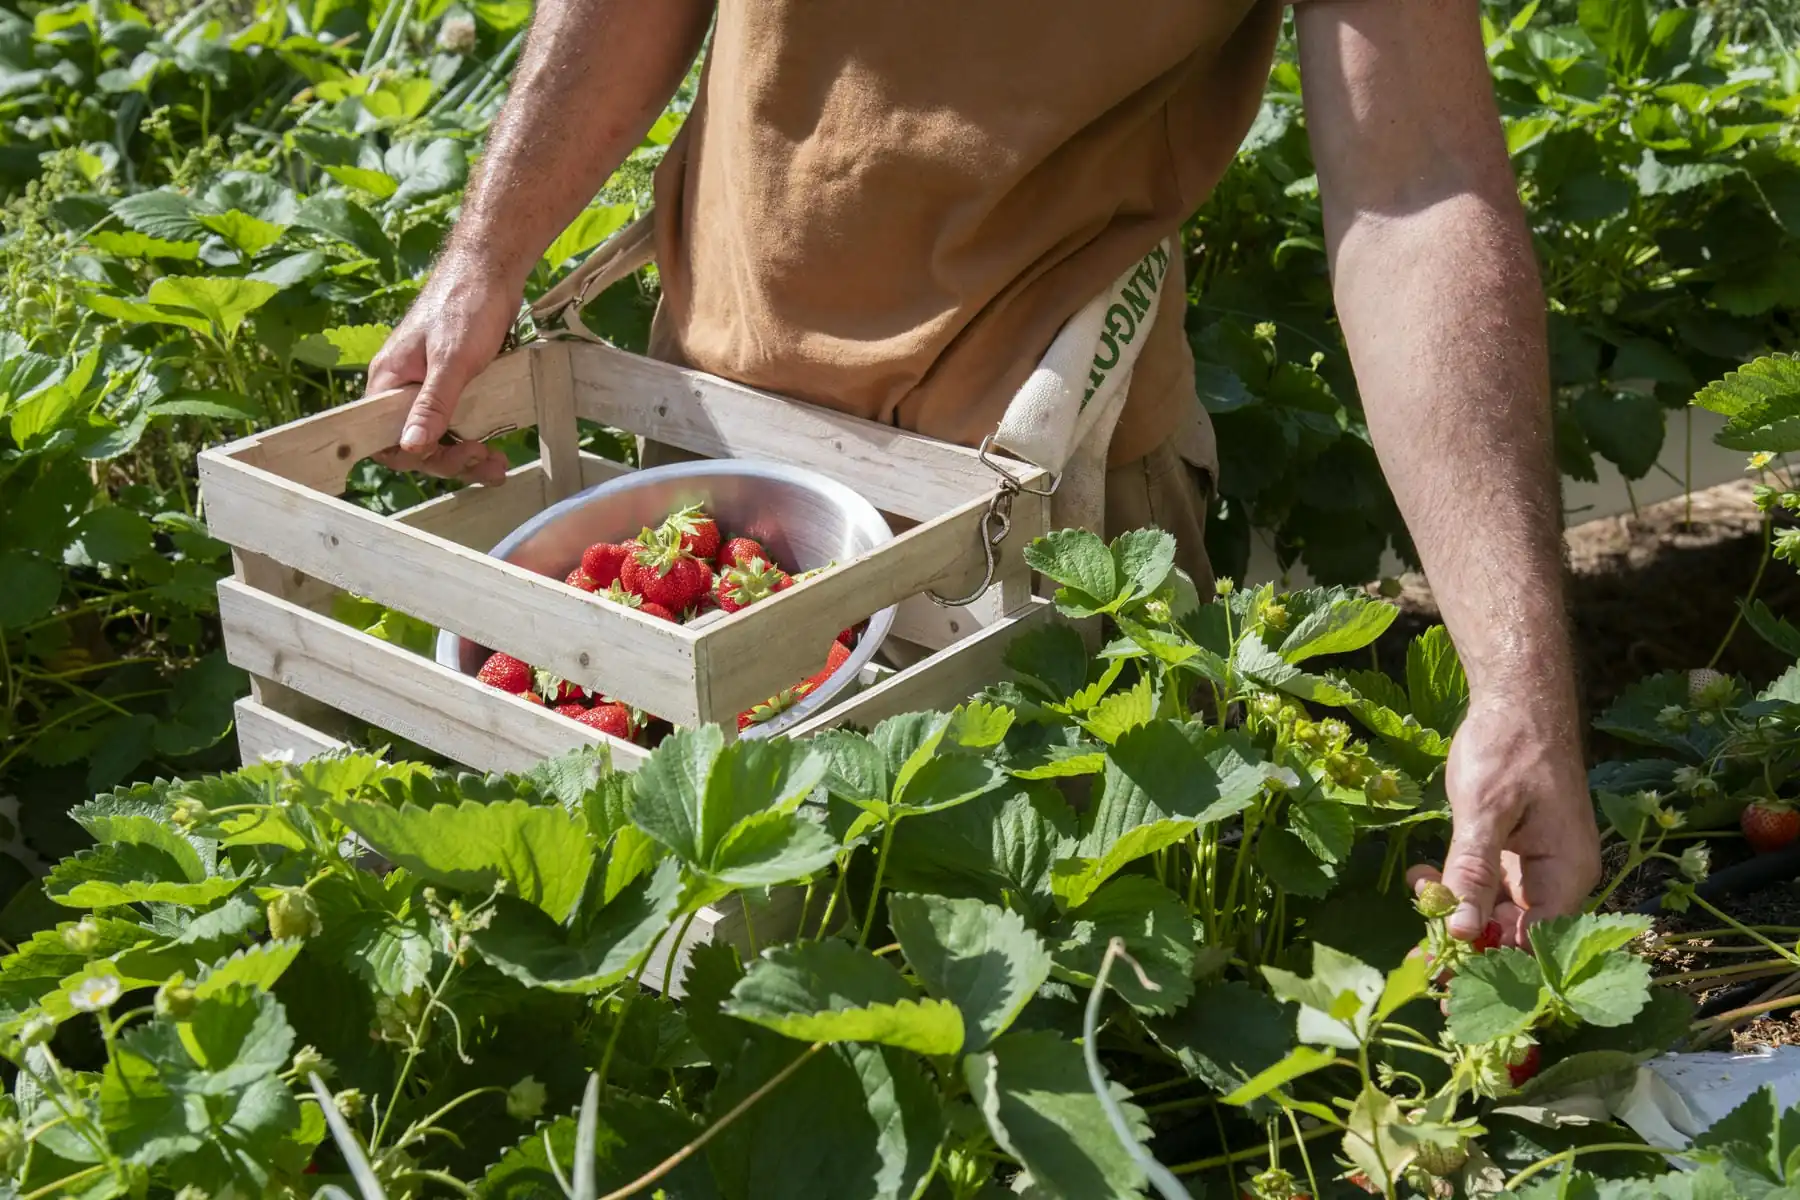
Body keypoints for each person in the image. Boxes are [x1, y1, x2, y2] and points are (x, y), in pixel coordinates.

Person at [364, 0, 1601, 946]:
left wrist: (1517, 680)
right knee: (686, 952)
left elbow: (1417, 180)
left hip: (1048, 497)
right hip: (711, 449)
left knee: (1038, 980)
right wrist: (489, 250)